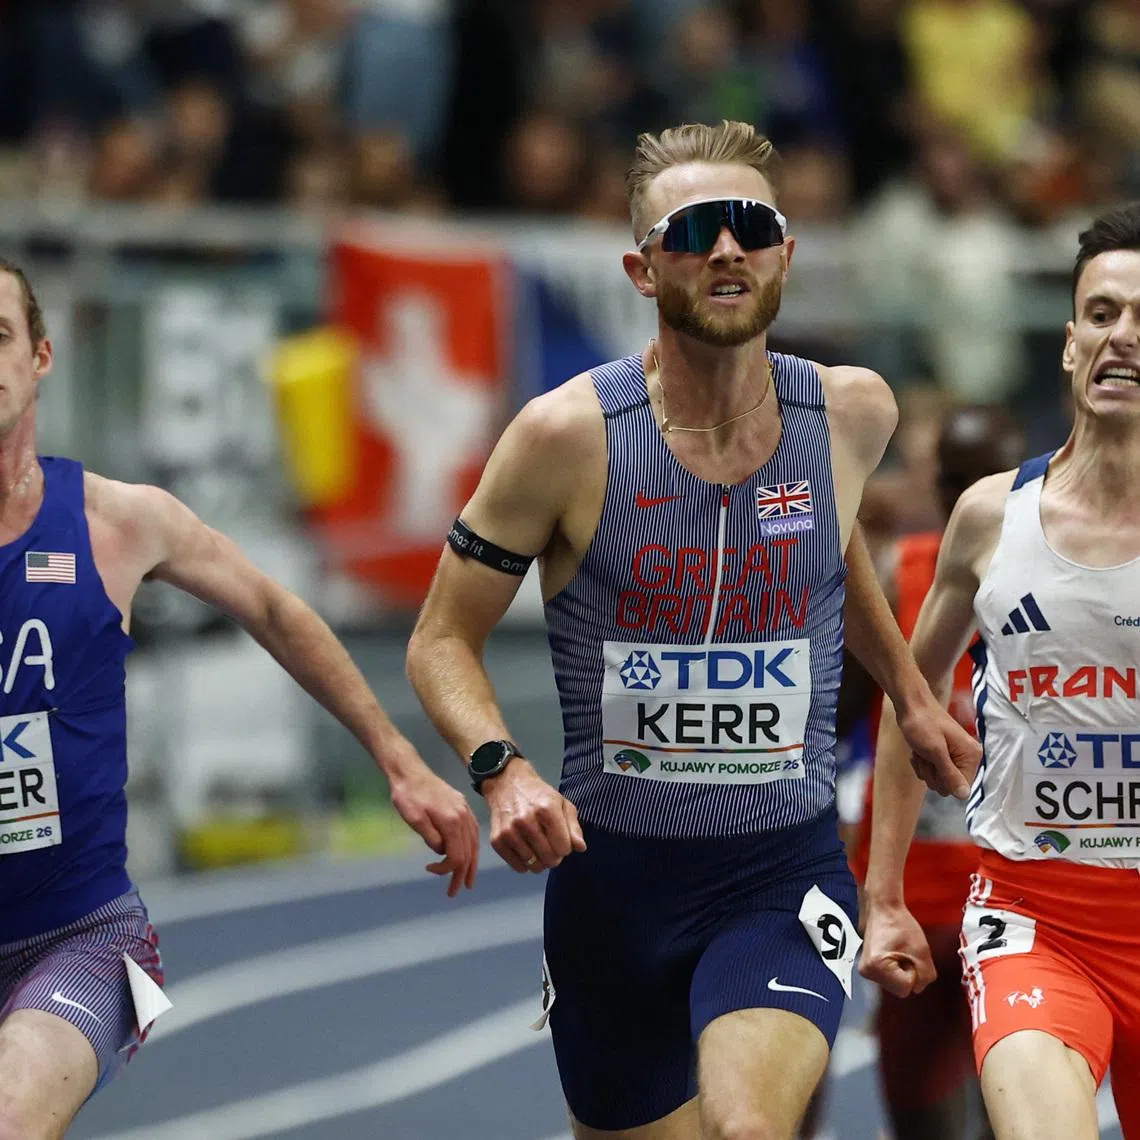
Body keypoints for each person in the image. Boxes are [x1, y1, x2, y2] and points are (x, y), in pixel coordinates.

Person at [406, 118, 979, 1140]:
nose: (725, 248)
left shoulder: (850, 413)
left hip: (781, 863)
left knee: (750, 1126)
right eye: (694, 229)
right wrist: (502, 769)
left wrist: (912, 693)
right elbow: (441, 638)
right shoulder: (564, 437)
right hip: (612, 886)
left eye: (748, 225)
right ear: (642, 266)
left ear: (784, 254)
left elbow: (830, 546)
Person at [0, 259, 479, 1139]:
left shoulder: (116, 521)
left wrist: (398, 758)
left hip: (77, 937)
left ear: (41, 357)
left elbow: (270, 605)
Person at [860, 202, 1140, 1140]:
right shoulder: (990, 519)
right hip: (1035, 913)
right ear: (1068, 344)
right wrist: (886, 897)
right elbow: (914, 702)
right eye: (1102, 315)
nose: (1123, 338)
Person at [846, 405, 1025, 1140]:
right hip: (916, 901)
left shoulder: (1063, 586)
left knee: (1013, 1110)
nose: (968, 498)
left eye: (987, 480)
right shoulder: (901, 574)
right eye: (953, 480)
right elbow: (840, 713)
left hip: (1016, 903)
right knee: (918, 1114)